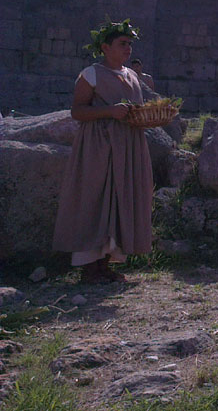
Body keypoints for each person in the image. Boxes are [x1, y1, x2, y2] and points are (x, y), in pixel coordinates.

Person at [52, 19, 153, 284]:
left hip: (127, 146)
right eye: (122, 44)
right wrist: (109, 111)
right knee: (95, 199)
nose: (128, 49)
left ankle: (106, 265)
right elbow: (78, 111)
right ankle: (89, 268)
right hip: (98, 147)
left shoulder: (132, 75)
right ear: (105, 47)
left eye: (130, 44)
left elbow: (135, 108)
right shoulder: (91, 74)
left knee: (120, 199)